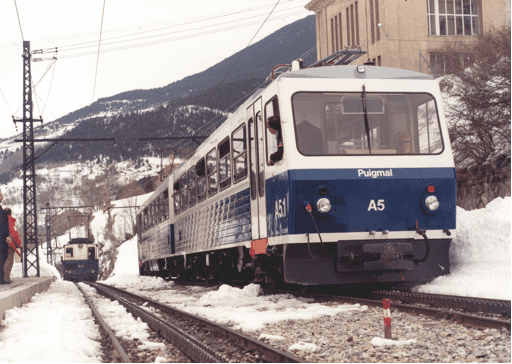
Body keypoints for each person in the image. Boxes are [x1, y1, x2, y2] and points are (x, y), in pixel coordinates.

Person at [3, 208, 21, 283]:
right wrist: (18, 244)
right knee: (9, 261)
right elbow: (14, 234)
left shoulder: (3, 220)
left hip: (3, 242)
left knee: (4, 261)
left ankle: (5, 277)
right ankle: (6, 278)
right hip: (9, 243)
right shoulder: (10, 220)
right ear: (10, 213)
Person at [0, 189, 14, 285]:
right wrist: (7, 236)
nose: (2, 198)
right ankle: (1, 279)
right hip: (1, 238)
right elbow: (2, 224)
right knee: (2, 257)